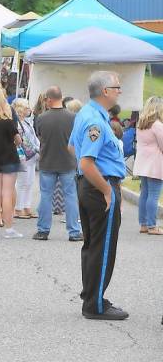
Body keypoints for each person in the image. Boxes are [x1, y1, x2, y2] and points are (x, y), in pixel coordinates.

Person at [70, 71, 128, 320]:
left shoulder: (87, 113)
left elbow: (72, 146)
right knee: (103, 247)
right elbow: (85, 162)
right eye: (117, 87)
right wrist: (107, 190)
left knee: (93, 246)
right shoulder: (95, 120)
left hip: (89, 185)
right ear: (105, 91)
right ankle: (95, 305)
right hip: (99, 186)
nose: (119, 91)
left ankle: (91, 295)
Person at [32, 86, 83, 241]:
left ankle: (43, 230)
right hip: (67, 161)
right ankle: (74, 231)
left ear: (49, 99)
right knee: (71, 196)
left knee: (46, 196)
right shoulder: (73, 117)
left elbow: (39, 136)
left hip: (47, 161)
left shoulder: (41, 118)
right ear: (61, 97)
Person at [0, 84, 23, 239]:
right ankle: (8, 228)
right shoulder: (8, 122)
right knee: (7, 193)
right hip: (8, 158)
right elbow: (18, 140)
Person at [133, 96, 163, 235]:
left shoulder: (141, 124)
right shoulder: (157, 125)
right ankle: (152, 226)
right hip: (155, 163)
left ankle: (144, 224)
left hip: (142, 163)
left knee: (144, 194)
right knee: (154, 195)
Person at [12, 98, 40, 220]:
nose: (29, 109)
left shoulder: (27, 122)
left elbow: (33, 137)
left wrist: (38, 147)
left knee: (29, 182)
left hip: (32, 156)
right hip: (24, 155)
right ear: (19, 109)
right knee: (22, 182)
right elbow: (23, 141)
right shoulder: (17, 123)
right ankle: (18, 208)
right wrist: (36, 148)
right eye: (26, 107)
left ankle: (26, 206)